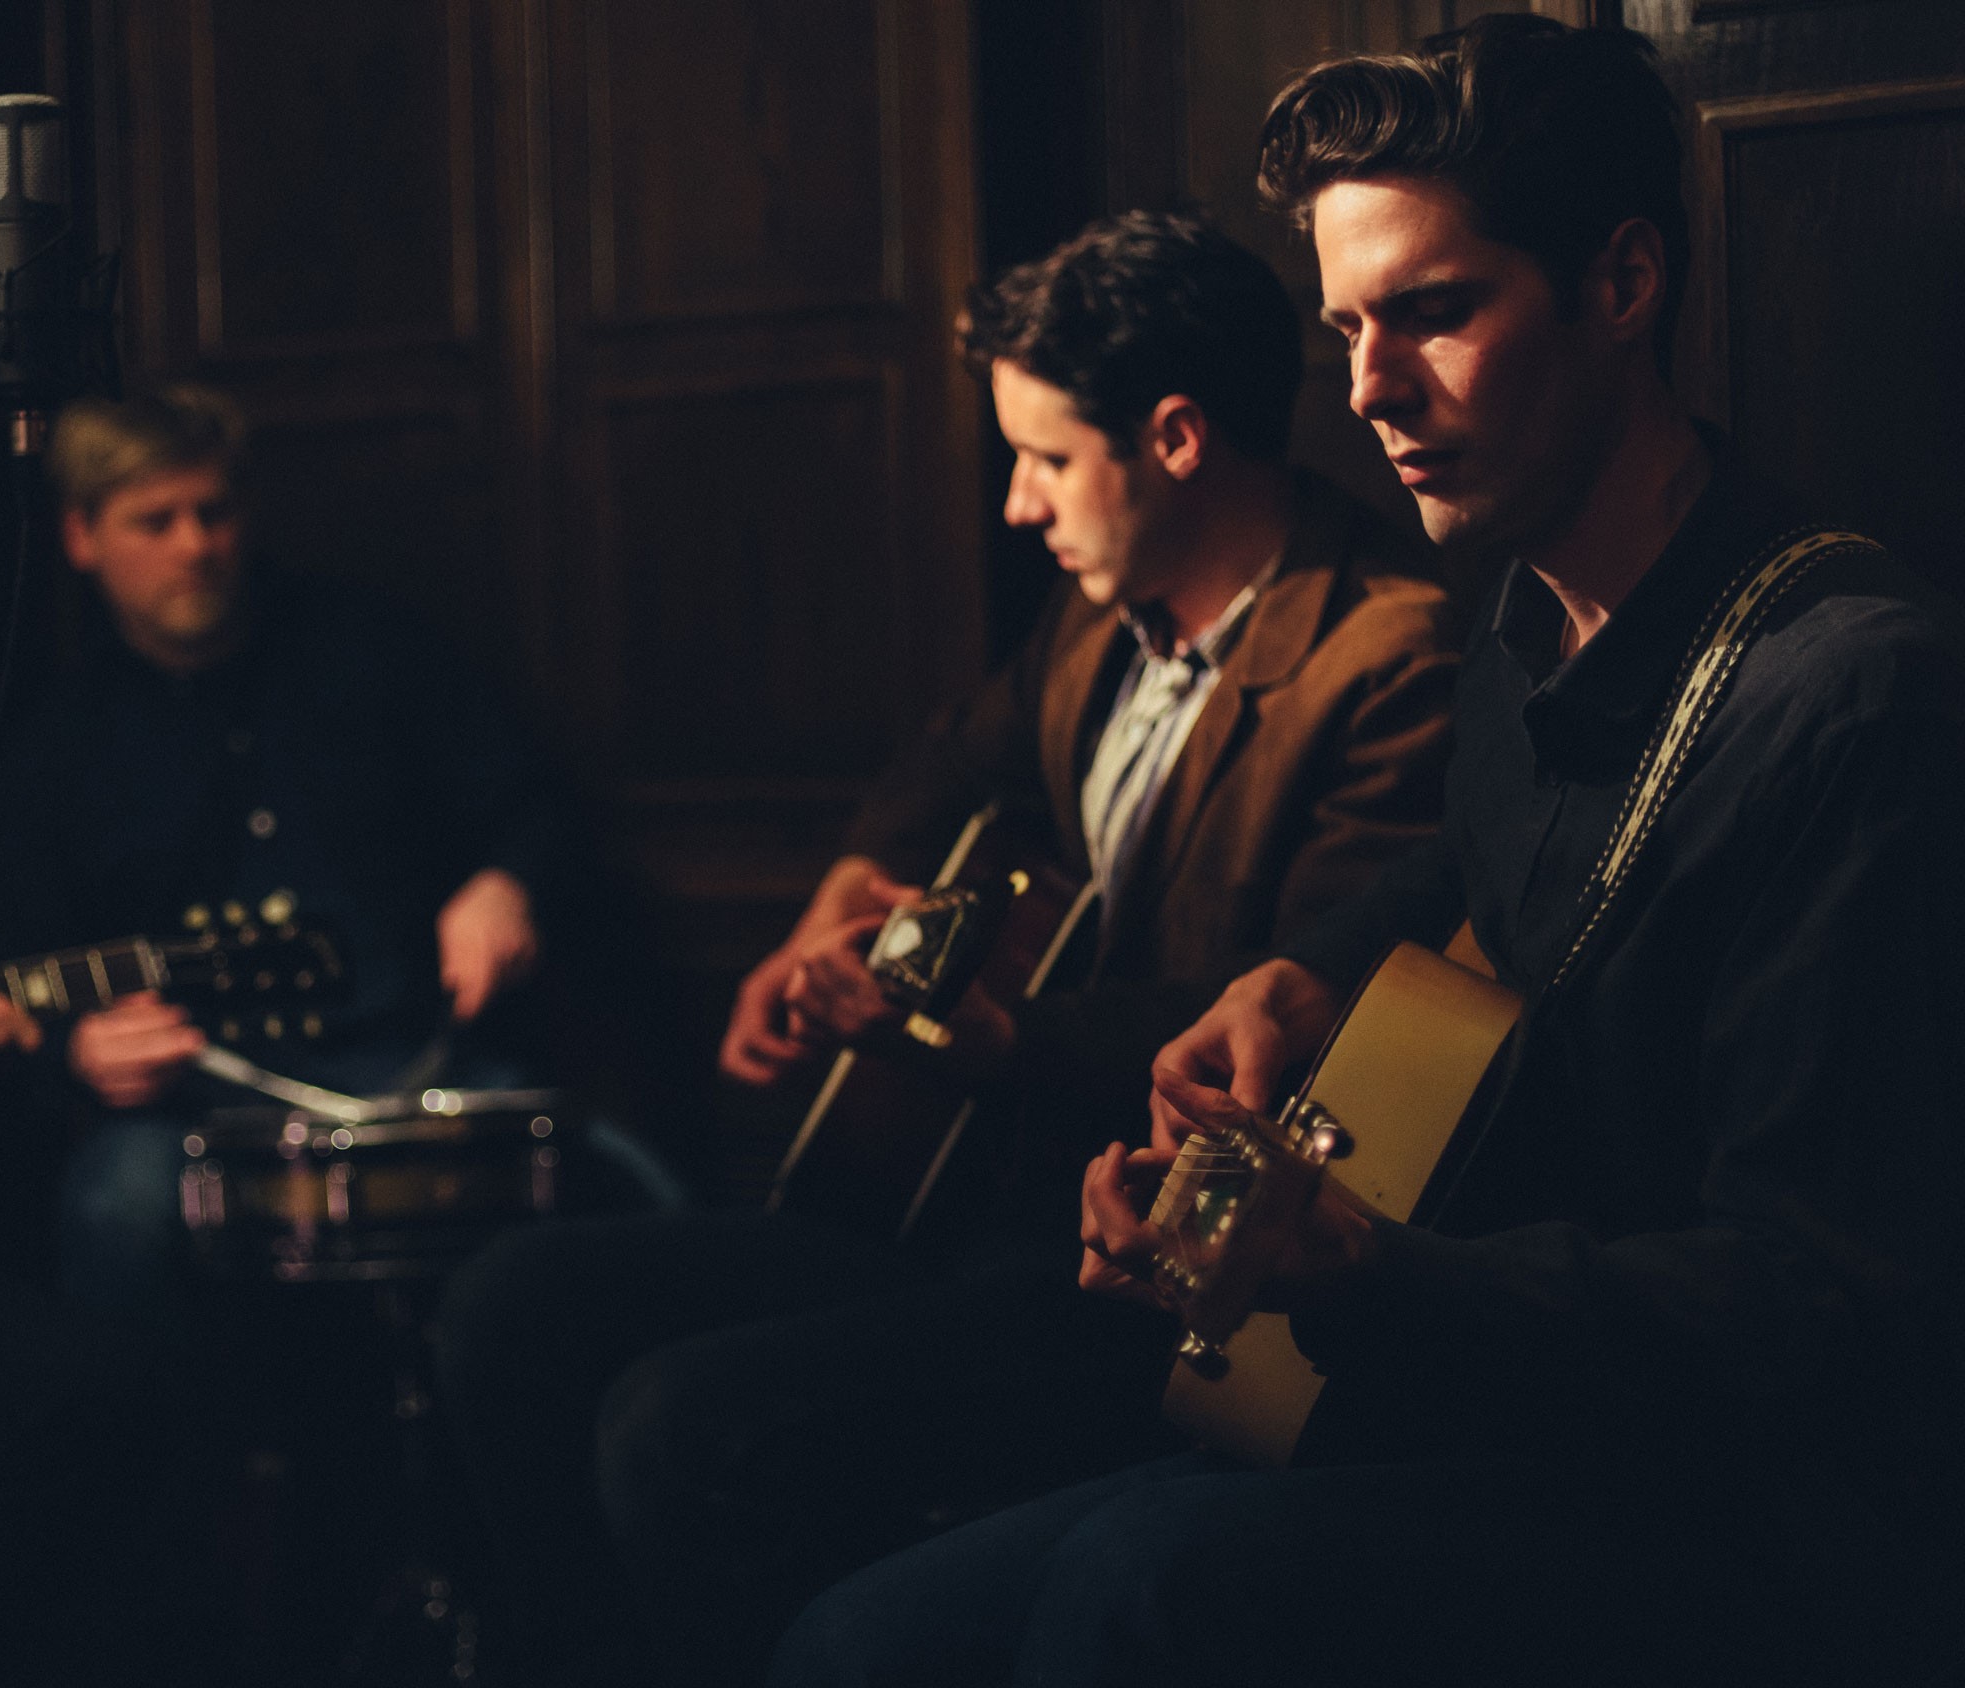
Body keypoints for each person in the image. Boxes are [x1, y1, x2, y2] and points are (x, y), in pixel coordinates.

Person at [773, 18, 1965, 1686]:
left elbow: (1821, 1305)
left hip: (1757, 1512)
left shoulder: (1856, 692)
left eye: (1433, 311)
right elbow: (1497, 874)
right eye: (1345, 326)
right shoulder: (1524, 617)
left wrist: (1361, 1268)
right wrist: (1303, 972)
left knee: (1139, 1581)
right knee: (852, 1638)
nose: (1366, 389)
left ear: (1622, 283)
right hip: (1513, 1386)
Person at [432, 212, 1458, 1686]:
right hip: (960, 1192)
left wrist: (1008, 1043)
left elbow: (1307, 1008)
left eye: (1045, 460)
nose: (1019, 507)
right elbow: (954, 762)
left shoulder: (1389, 658)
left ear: (1173, 439)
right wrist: (827, 910)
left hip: (1137, 1267)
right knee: (509, 1306)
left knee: (680, 1424)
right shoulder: (1101, 615)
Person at [0, 383, 618, 1331]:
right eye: (156, 521)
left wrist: (506, 885)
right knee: (117, 1210)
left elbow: (536, 809)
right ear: (81, 538)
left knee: (623, 1188)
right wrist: (77, 1050)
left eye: (213, 512)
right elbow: (9, 971)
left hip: (419, 1056)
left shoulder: (374, 648)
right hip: (196, 1101)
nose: (195, 545)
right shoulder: (56, 747)